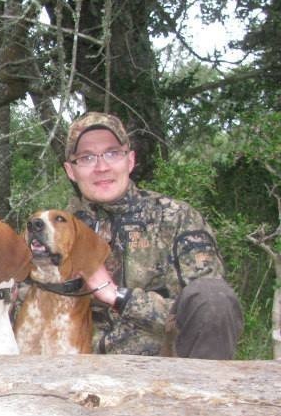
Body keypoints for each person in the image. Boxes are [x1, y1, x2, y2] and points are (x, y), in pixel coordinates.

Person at [63, 111, 243, 358]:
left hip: (165, 366)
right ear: (71, 171)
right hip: (76, 369)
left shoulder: (176, 218)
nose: (101, 167)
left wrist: (117, 296)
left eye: (113, 153)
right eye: (86, 158)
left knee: (213, 296)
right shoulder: (54, 230)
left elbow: (204, 313)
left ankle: (206, 391)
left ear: (130, 160)